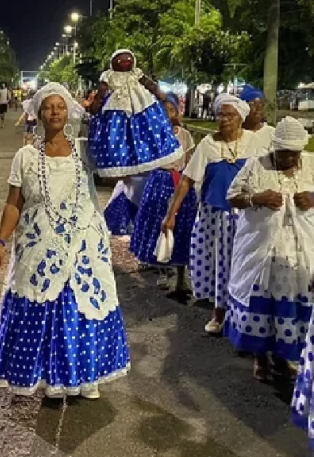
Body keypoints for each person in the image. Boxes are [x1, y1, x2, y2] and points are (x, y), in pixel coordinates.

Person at [0, 82, 130, 399]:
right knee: (46, 307)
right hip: (39, 245)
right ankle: (54, 379)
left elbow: (124, 146)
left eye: (61, 106)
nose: (55, 112)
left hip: (83, 242)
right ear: (38, 113)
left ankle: (86, 376)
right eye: (49, 107)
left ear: (69, 112)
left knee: (79, 307)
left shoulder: (85, 149)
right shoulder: (25, 156)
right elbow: (14, 203)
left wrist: (121, 91)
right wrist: (0, 242)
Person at [226, 117, 314, 380]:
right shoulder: (257, 165)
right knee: (262, 307)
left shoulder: (311, 163)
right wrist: (257, 198)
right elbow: (232, 196)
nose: (289, 159)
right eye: (283, 153)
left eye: (293, 154)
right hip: (263, 254)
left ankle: (282, 357)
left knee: (290, 308)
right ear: (274, 149)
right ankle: (260, 358)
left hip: (299, 253)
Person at [162, 94, 258, 333]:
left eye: (230, 115)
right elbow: (186, 180)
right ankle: (219, 314)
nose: (224, 120)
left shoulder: (255, 143)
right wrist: (171, 214)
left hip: (248, 216)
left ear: (241, 118)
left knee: (245, 267)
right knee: (220, 265)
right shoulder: (208, 144)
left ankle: (244, 319)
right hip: (215, 216)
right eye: (221, 115)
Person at [131, 93, 197, 292]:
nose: (167, 114)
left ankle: (180, 278)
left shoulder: (185, 135)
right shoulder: (155, 133)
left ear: (177, 111)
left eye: (171, 110)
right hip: (159, 182)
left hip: (181, 184)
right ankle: (161, 270)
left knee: (182, 229)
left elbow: (191, 160)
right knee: (157, 225)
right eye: (163, 110)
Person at [89, 49, 182, 178]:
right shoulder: (109, 76)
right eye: (120, 60)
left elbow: (149, 84)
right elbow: (101, 93)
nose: (124, 62)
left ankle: (149, 154)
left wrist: (159, 93)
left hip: (141, 104)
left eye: (127, 60)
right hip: (116, 107)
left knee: (146, 130)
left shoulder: (136, 73)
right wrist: (96, 103)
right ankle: (121, 161)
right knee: (117, 134)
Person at [239, 84, 274, 155]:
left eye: (261, 104)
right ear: (243, 108)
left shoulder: (271, 134)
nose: (258, 109)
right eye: (253, 105)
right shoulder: (235, 134)